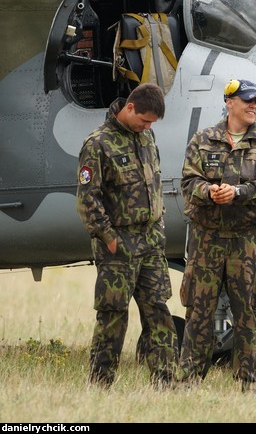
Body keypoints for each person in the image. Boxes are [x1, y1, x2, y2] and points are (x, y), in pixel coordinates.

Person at [179, 79, 256, 395]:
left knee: (248, 313)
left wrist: (237, 192)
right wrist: (209, 192)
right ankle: (187, 381)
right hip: (207, 240)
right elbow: (188, 183)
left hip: (246, 241)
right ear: (229, 102)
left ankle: (249, 383)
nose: (254, 106)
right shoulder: (203, 140)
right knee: (199, 311)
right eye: (248, 100)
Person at [76, 82, 179, 389]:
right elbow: (87, 199)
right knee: (113, 316)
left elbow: (154, 187)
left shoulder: (146, 137)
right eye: (144, 120)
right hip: (118, 246)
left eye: (151, 124)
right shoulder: (98, 143)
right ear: (129, 107)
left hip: (150, 243)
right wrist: (109, 239)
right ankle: (101, 382)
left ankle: (166, 380)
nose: (147, 126)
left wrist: (158, 228)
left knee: (158, 311)